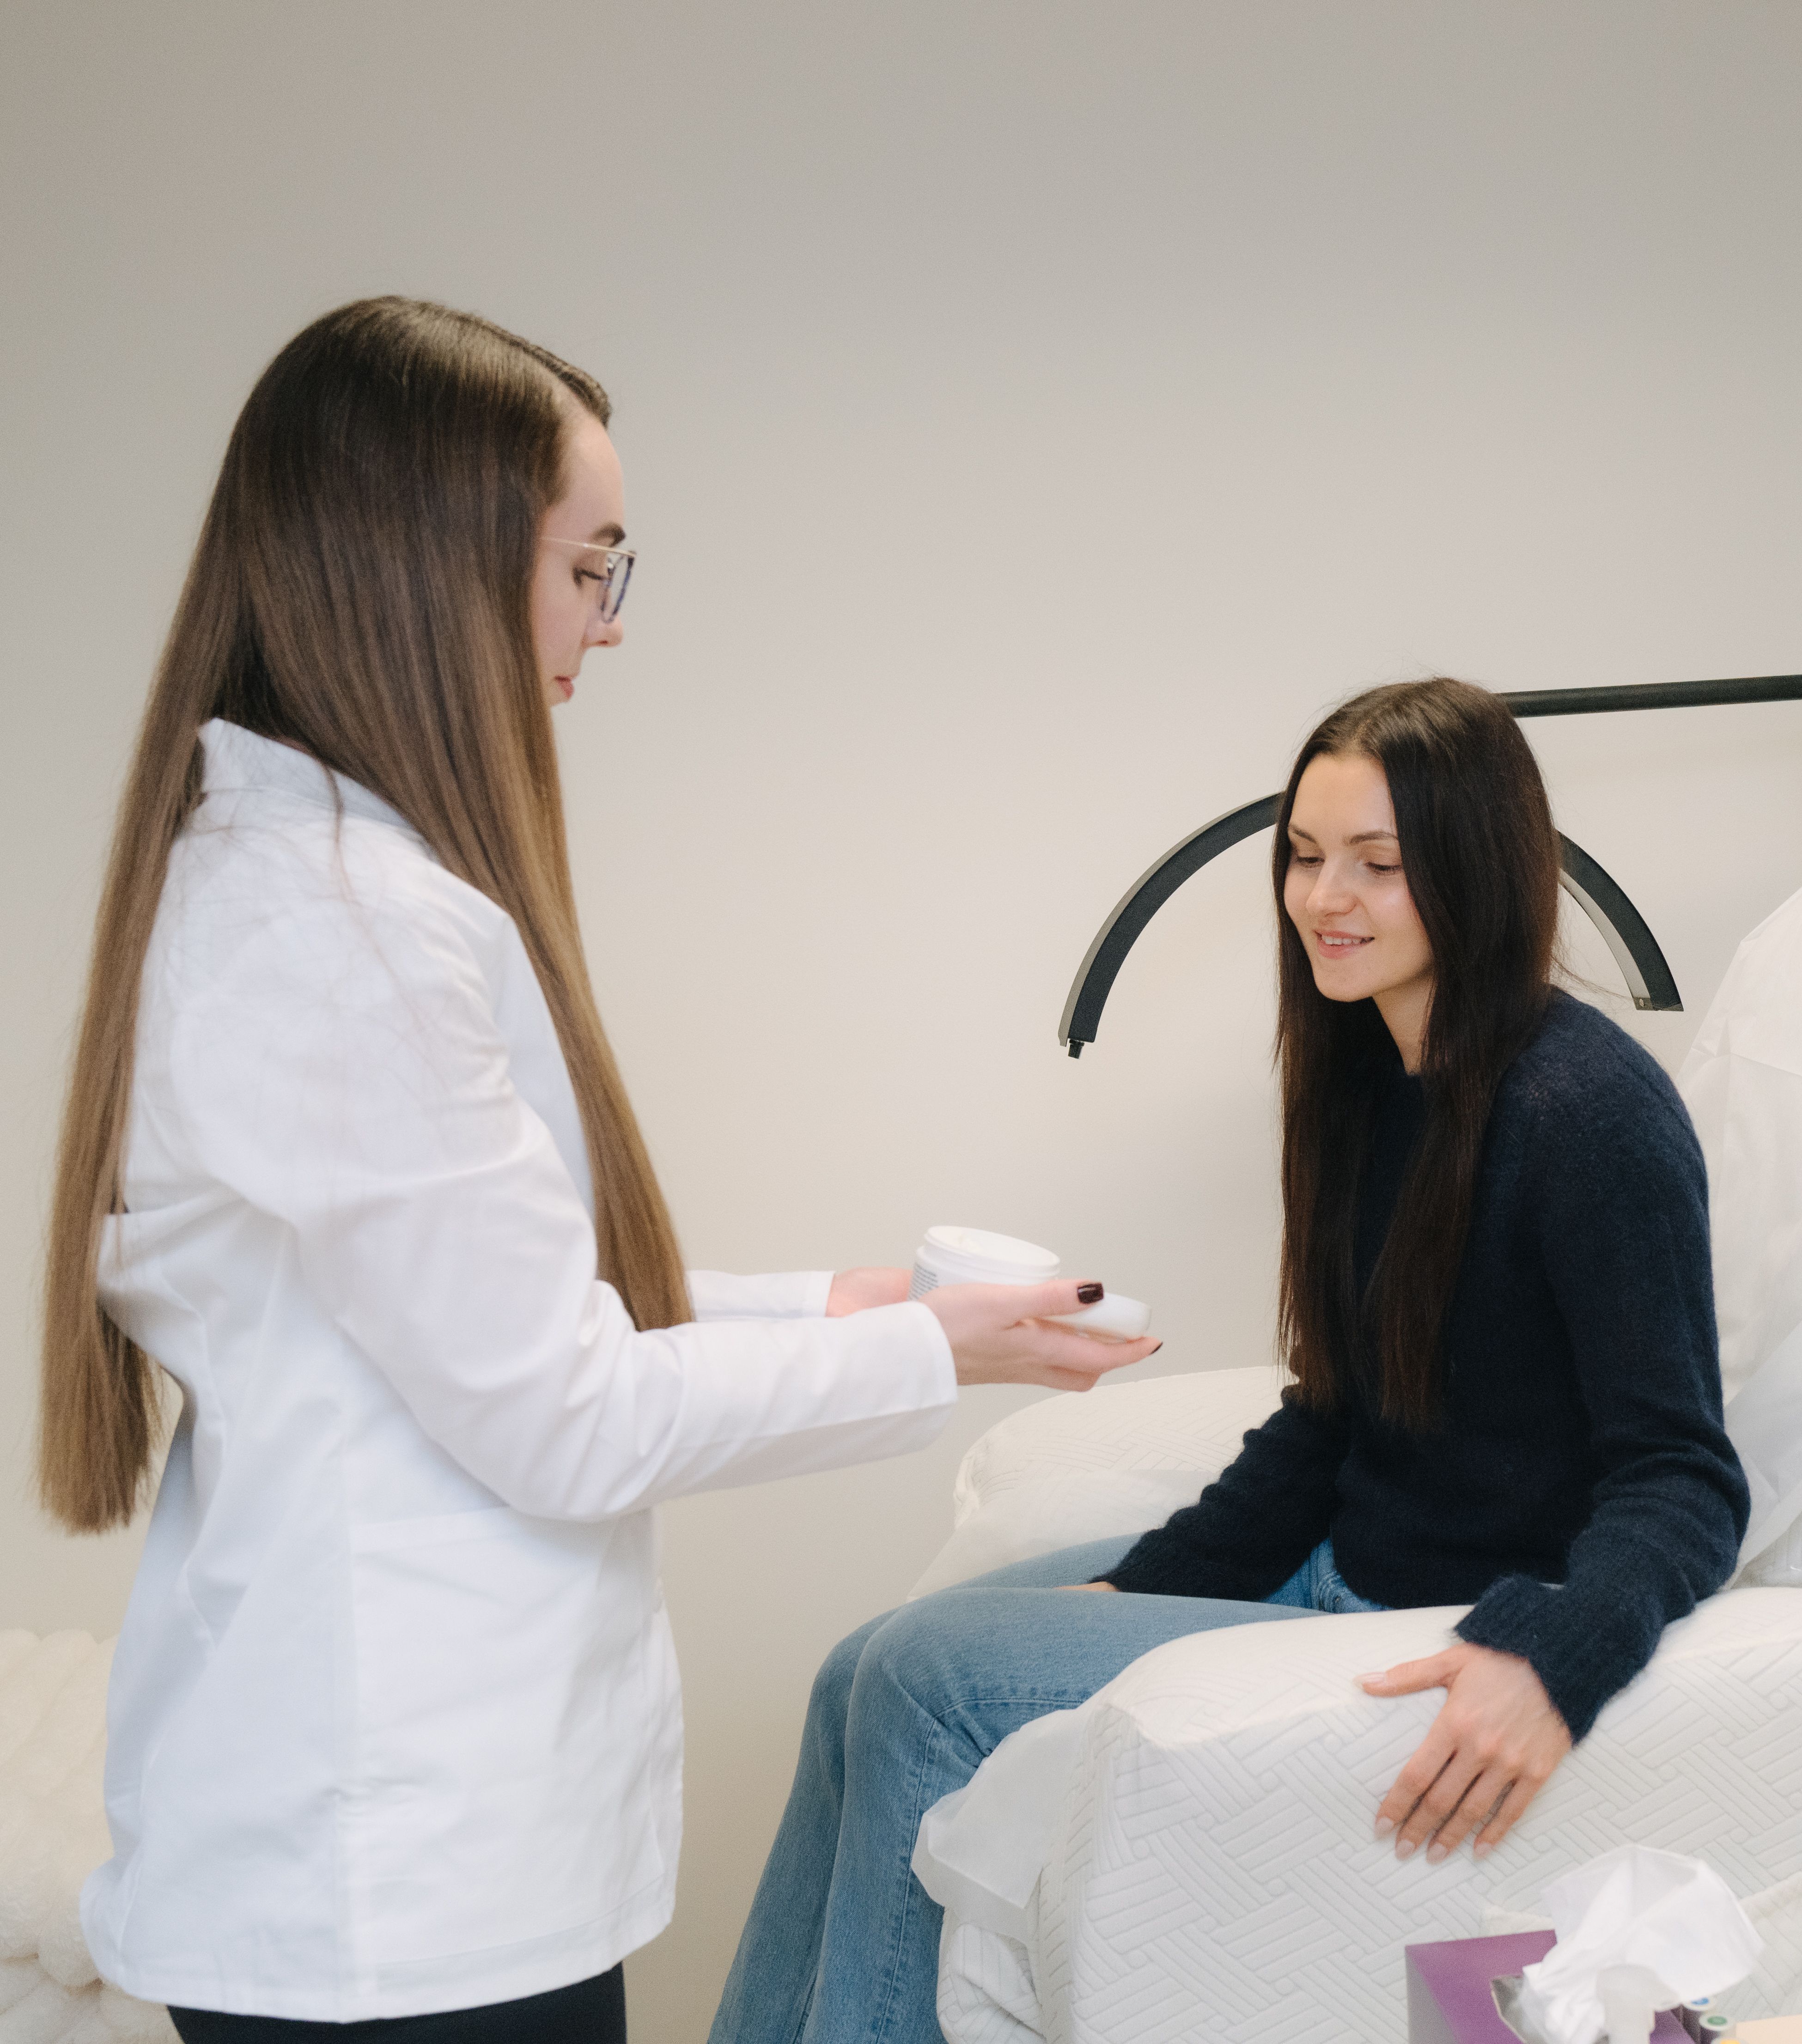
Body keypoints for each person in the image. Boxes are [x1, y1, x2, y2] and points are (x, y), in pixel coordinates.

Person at [35, 297, 1152, 2043]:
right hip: (390, 1879)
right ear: (434, 566)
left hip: (400, 1851)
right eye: (590, 567)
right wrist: (943, 1353)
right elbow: (556, 1409)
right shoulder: (344, 927)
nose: (608, 626)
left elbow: (458, 1308)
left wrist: (843, 1303)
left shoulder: (317, 884)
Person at [712, 678, 1749, 2044]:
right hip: (1327, 1576)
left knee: (925, 1681)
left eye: (1379, 865)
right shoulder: (1372, 1078)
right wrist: (1139, 1591)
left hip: (1419, 1627)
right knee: (864, 1665)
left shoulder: (1590, 1114)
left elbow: (1683, 1478)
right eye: (1307, 858)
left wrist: (1553, 1656)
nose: (1328, 897)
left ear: (1480, 869)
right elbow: (1334, 1418)